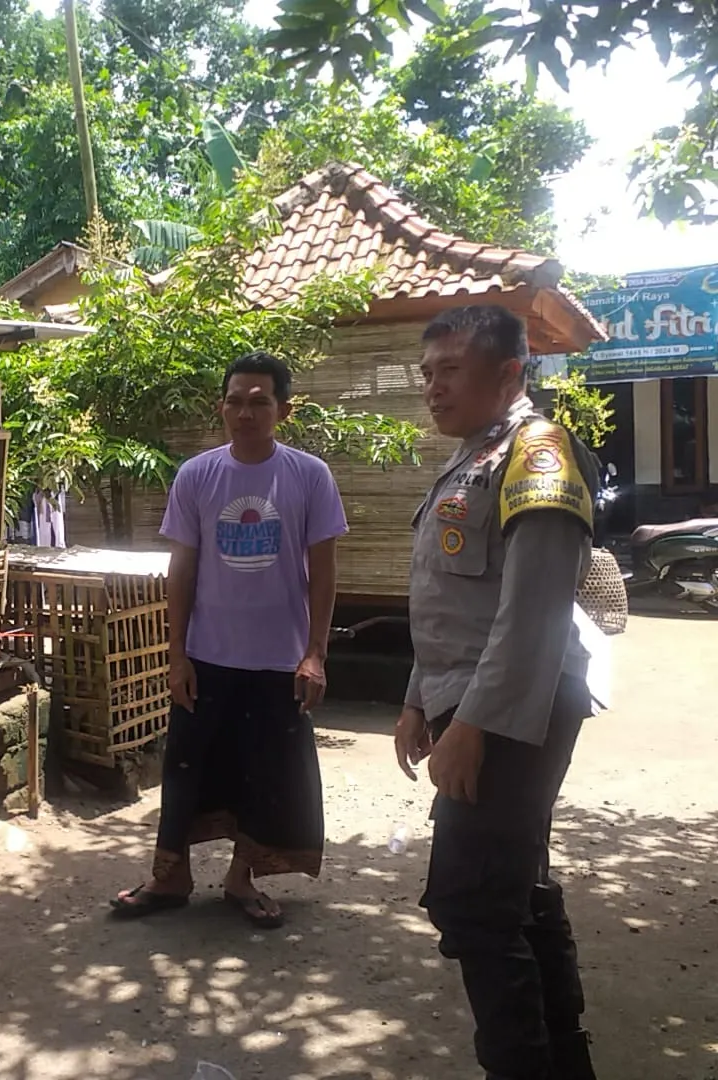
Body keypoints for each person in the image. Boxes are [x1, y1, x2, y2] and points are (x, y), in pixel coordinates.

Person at [396, 305, 600, 1080]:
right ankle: (563, 1059)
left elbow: (534, 613)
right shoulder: (474, 457)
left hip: (516, 705)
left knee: (475, 904)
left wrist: (473, 726)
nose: (433, 387)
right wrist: (419, 698)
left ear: (510, 371)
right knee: (512, 885)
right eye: (428, 373)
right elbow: (451, 599)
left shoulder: (537, 452)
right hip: (472, 697)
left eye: (450, 370)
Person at [110, 350, 348, 927]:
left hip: (279, 661)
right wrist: (177, 656)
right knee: (186, 768)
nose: (245, 413)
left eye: (259, 402)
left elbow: (324, 573)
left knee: (262, 774)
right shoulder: (197, 475)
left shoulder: (309, 476)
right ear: (221, 407)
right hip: (207, 656)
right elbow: (182, 570)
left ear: (283, 411)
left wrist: (315, 654)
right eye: (235, 401)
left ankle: (241, 880)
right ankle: (171, 876)